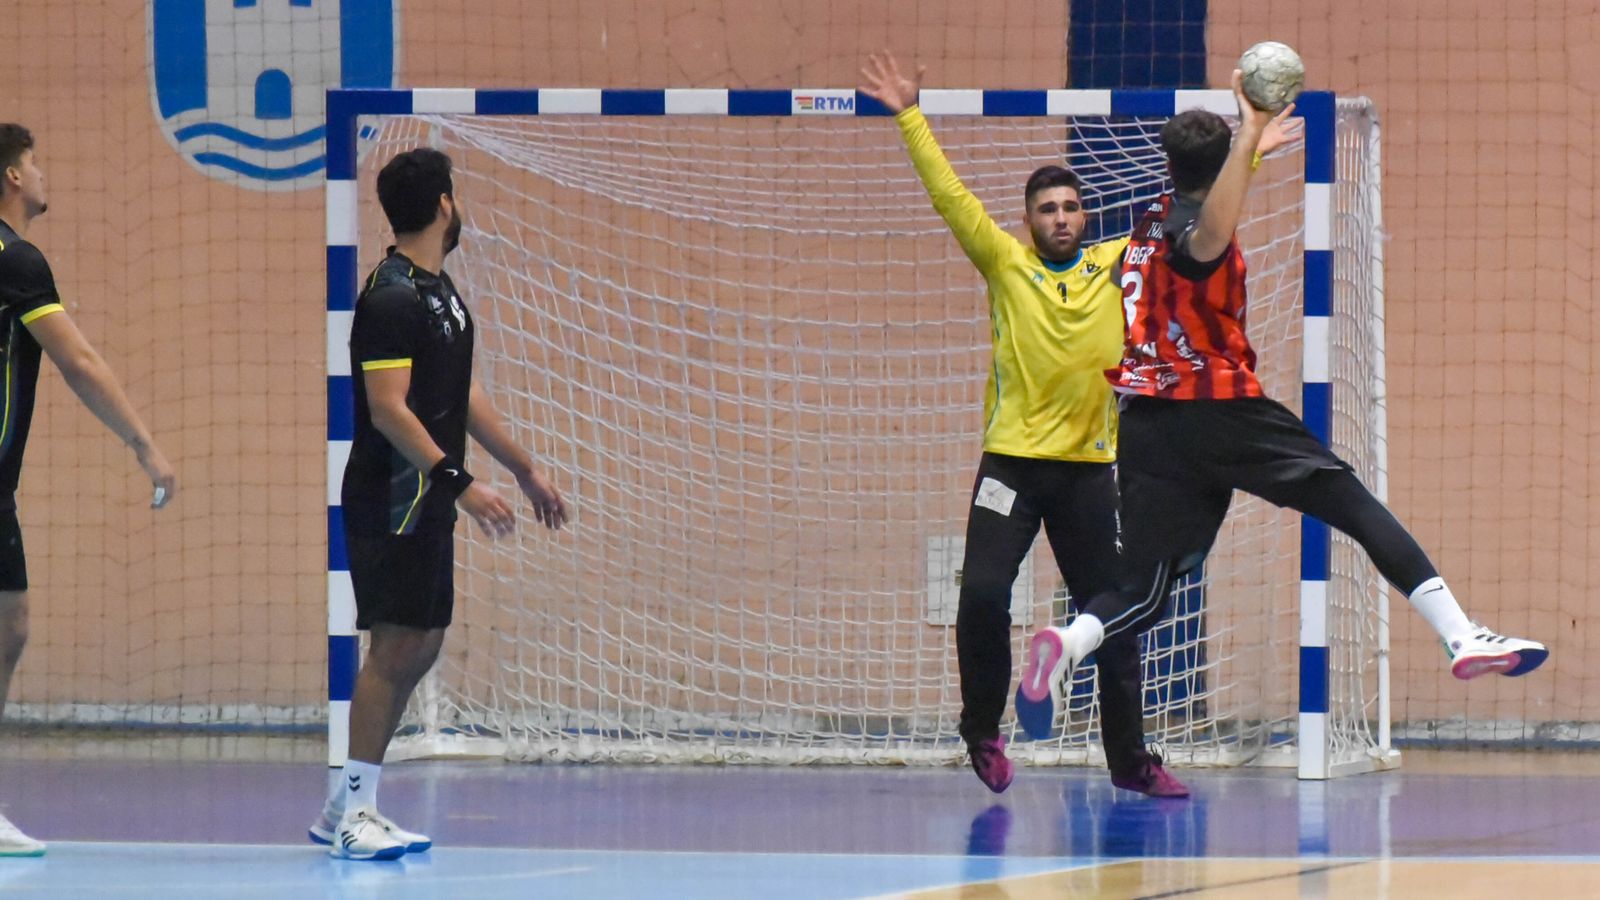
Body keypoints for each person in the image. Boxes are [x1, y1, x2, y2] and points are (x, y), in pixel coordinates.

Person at [1037, 72, 1548, 725]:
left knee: (1144, 590)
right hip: (1218, 407)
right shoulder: (1198, 233)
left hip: (1147, 424)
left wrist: (1245, 152)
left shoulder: (1144, 225)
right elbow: (1208, 239)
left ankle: (1069, 643)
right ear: (1219, 166)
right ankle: (1461, 634)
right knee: (1351, 502)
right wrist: (1248, 129)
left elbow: (1198, 212)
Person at [859, 52, 1186, 798]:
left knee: (1113, 618)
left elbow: (1189, 215)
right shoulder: (1005, 264)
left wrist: (1252, 152)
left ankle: (1132, 762)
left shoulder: (1117, 262)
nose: (1061, 218)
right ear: (1029, 220)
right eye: (1047, 209)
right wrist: (910, 114)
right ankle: (982, 732)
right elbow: (950, 198)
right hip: (1010, 467)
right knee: (981, 595)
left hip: (1087, 473)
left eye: (1071, 207)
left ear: (1084, 214)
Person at [308, 148, 569, 860]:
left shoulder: (439, 292)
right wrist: (461, 481)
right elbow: (389, 410)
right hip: (390, 497)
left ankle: (349, 803)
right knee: (395, 646)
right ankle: (352, 808)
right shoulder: (390, 296)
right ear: (445, 204)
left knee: (420, 643)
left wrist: (523, 469)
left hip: (425, 497)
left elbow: (462, 393)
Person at [0, 124, 178, 857]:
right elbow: (79, 362)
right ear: (11, 175)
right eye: (34, 161)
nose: (44, 174)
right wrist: (145, 445)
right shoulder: (17, 262)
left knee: (10, 626)